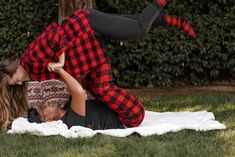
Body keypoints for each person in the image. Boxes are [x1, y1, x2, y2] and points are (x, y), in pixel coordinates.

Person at [0, 0, 196, 130]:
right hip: (88, 50)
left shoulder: (30, 57)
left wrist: (60, 61)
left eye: (13, 79)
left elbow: (54, 34)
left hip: (84, 26)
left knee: (139, 28)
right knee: (136, 23)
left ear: (13, 68)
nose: (18, 83)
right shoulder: (33, 72)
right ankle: (171, 20)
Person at [28, 66, 125, 130]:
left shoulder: (67, 106)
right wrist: (60, 70)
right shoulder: (71, 122)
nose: (46, 103)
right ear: (48, 120)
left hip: (116, 108)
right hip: (123, 120)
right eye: (43, 108)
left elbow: (77, 85)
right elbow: (79, 93)